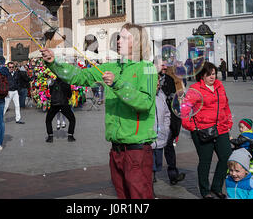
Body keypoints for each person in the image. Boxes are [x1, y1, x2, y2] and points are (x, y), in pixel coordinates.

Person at [41, 22, 157, 199]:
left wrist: (118, 85)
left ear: (138, 42)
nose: (119, 41)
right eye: (119, 37)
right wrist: (54, 63)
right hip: (116, 150)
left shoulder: (147, 68)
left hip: (137, 151)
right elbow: (81, 76)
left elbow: (145, 103)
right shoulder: (112, 67)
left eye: (125, 38)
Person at [181, 61, 233, 199]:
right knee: (205, 161)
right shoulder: (194, 89)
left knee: (226, 157)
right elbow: (185, 110)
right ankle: (205, 191)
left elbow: (225, 105)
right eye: (209, 74)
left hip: (221, 128)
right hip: (202, 131)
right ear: (202, 76)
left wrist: (229, 120)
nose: (212, 77)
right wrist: (191, 127)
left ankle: (216, 187)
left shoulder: (220, 86)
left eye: (214, 74)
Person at [155, 57, 186, 185]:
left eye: (166, 65)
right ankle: (151, 174)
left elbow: (175, 99)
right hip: (154, 119)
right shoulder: (148, 78)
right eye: (162, 65)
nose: (165, 67)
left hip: (169, 119)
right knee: (154, 148)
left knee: (168, 146)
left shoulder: (169, 79)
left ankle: (173, 175)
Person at [45, 77, 76, 142]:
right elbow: (69, 95)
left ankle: (50, 136)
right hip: (64, 103)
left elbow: (50, 92)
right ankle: (70, 136)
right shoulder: (66, 83)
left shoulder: (52, 83)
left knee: (48, 120)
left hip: (54, 104)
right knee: (72, 119)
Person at [152, 84, 170, 184]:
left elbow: (167, 114)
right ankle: (151, 177)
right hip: (148, 137)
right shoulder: (144, 96)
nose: (157, 83)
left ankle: (153, 173)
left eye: (158, 81)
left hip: (161, 135)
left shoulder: (161, 96)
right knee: (150, 163)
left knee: (158, 162)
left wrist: (166, 128)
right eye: (155, 80)